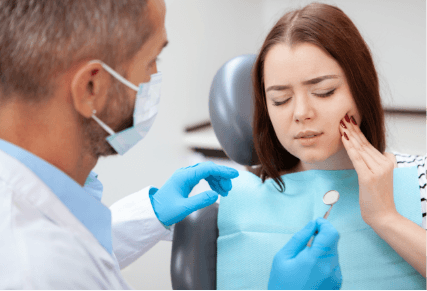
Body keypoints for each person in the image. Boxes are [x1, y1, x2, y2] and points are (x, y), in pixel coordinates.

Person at [0, 0, 341, 289]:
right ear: (92, 88)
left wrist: (151, 213)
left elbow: (81, 244)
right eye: (151, 62)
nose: (302, 113)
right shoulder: (37, 269)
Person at [216, 2, 426, 290]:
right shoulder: (228, 198)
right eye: (280, 99)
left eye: (323, 92)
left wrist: (386, 218)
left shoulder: (420, 178)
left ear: (361, 89)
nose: (301, 112)